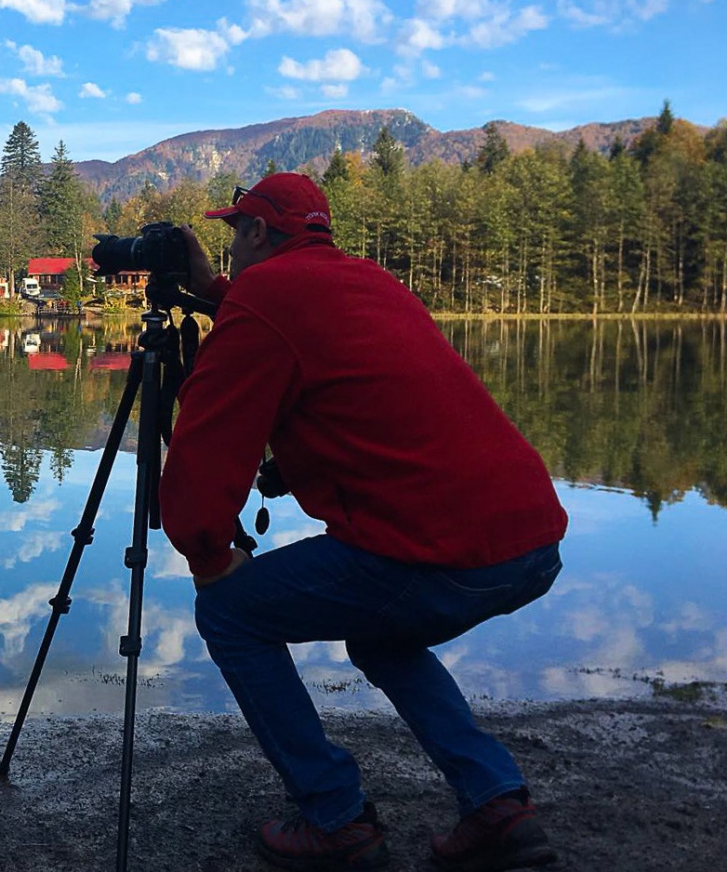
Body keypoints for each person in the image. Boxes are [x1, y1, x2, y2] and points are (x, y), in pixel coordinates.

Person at [158, 171, 567, 872]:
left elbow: (202, 457)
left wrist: (208, 553)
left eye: (233, 234)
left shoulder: (266, 297)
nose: (227, 253)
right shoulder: (367, 281)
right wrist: (218, 294)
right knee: (383, 636)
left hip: (443, 551)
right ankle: (497, 801)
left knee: (230, 611)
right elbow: (331, 361)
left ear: (257, 232)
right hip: (530, 538)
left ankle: (336, 818)